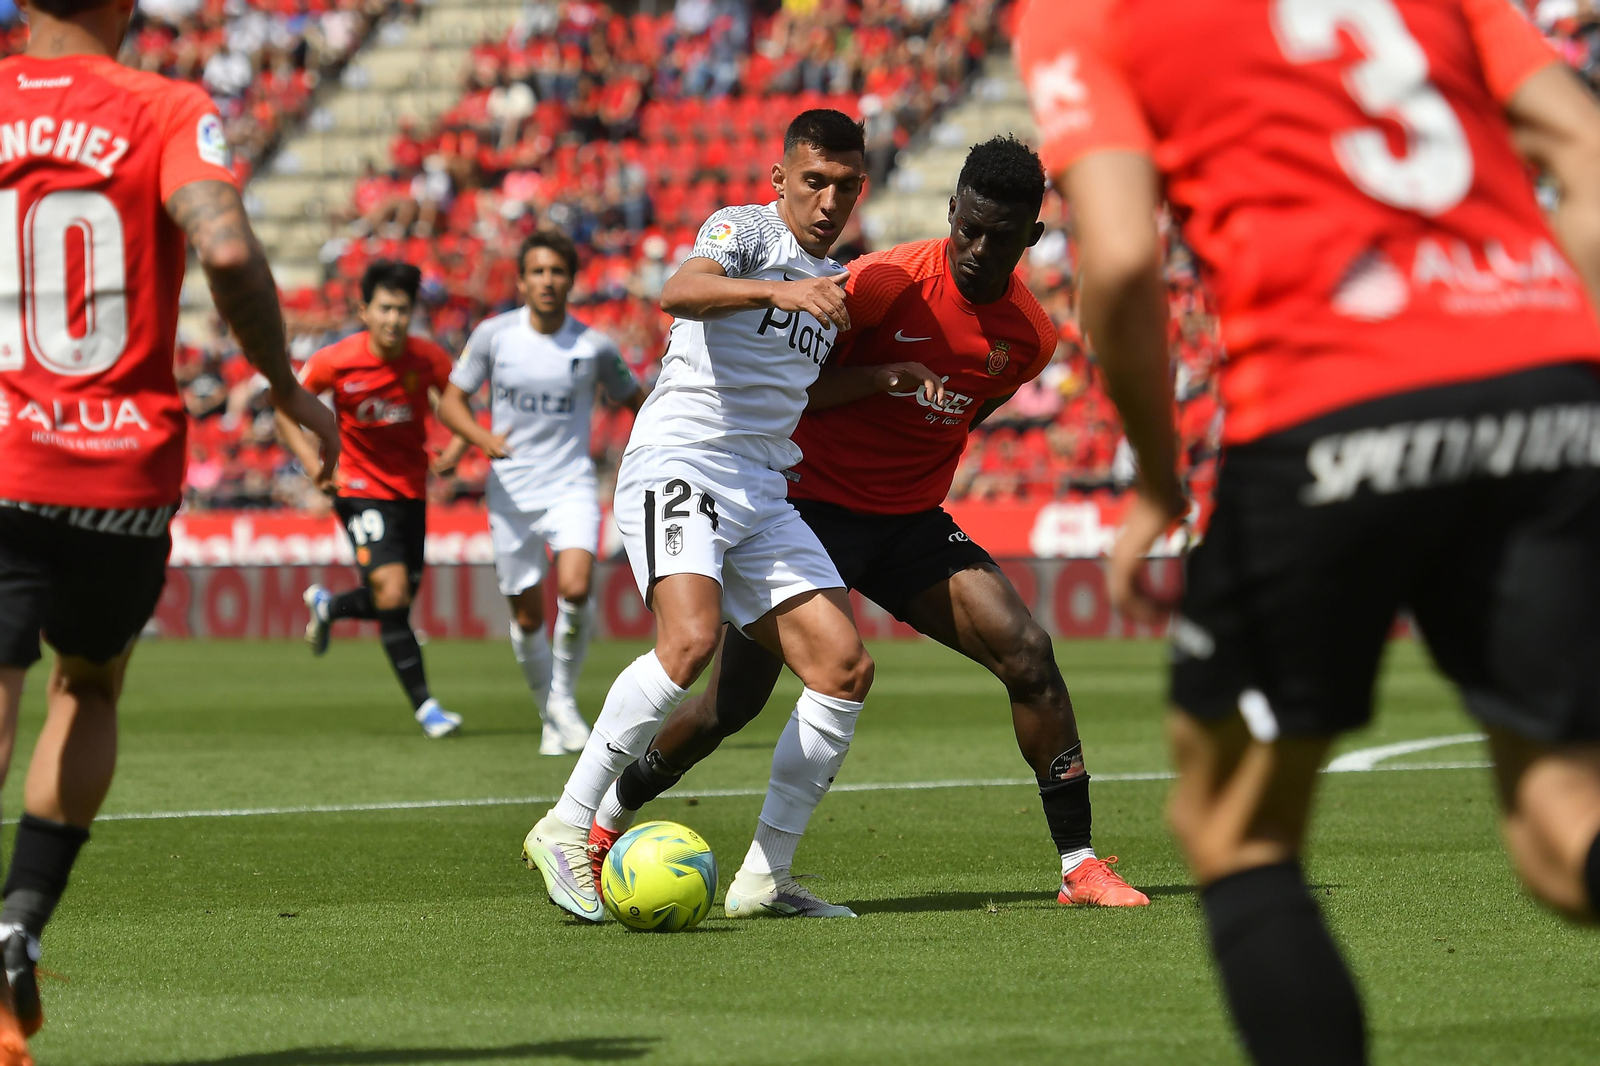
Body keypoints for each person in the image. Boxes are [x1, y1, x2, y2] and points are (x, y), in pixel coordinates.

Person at [1019, 0, 1600, 1061]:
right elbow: (1587, 152)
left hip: (1333, 407)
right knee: (1567, 833)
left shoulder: (1081, 13)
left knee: (1234, 827)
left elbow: (1117, 261)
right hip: (1546, 382)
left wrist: (1156, 478)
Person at [594, 136, 1148, 909]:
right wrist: (883, 379)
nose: (980, 250)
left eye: (1003, 237)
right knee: (731, 706)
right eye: (970, 228)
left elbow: (962, 419)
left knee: (1028, 652)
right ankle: (605, 822)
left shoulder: (1030, 339)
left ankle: (1080, 866)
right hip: (803, 510)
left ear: (1035, 238)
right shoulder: (885, 286)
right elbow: (793, 388)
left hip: (908, 524)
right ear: (951, 213)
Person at [0, 0, 339, 1058]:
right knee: (87, 685)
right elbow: (228, 249)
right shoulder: (164, 105)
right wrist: (283, 383)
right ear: (127, 6)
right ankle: (20, 918)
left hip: (2, 447)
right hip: (120, 469)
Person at [522, 109, 884, 922]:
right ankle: (567, 823)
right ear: (780, 178)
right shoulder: (745, 232)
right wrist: (780, 286)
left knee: (843, 667)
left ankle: (764, 879)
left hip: (762, 487)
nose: (829, 200)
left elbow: (801, 388)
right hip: (680, 459)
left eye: (847, 185)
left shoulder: (841, 285)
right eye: (815, 181)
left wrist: (882, 378)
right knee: (687, 642)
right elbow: (678, 291)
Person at [437, 230, 646, 756]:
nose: (548, 281)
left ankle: (564, 705)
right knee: (527, 616)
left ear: (571, 280)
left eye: (557, 271)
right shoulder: (493, 336)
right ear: (522, 279)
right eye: (538, 271)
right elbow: (451, 402)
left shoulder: (594, 345)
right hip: (509, 492)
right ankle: (552, 713)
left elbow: (635, 401)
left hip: (571, 484)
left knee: (575, 586)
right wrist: (481, 439)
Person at [281, 261, 462, 740]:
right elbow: (285, 407)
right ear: (364, 310)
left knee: (396, 599)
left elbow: (459, 405)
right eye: (384, 308)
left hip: (411, 491)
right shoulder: (335, 360)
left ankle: (330, 607)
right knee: (394, 594)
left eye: (402, 309)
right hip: (357, 487)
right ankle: (427, 708)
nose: (393, 319)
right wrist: (314, 465)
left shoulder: (428, 358)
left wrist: (458, 449)